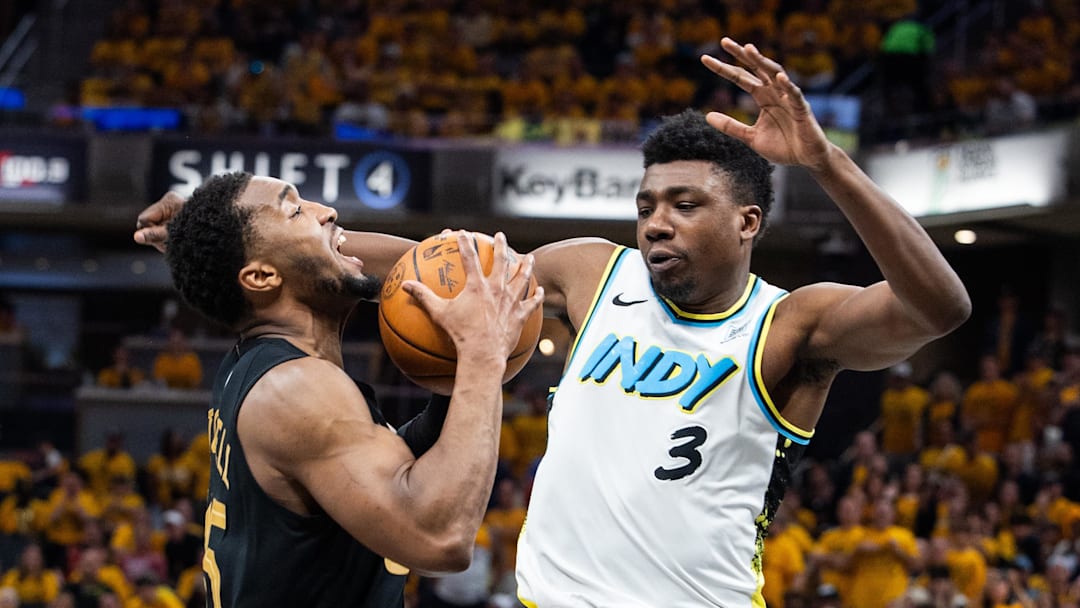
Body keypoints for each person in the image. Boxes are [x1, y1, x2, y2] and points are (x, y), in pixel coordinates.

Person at [134, 38, 969, 607]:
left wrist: (827, 162)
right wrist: (225, 233)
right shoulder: (590, 271)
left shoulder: (793, 326)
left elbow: (940, 308)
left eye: (685, 205)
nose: (656, 223)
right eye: (646, 204)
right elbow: (439, 275)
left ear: (747, 223)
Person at [138, 171, 542, 607]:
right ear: (260, 278)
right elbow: (439, 537)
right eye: (295, 210)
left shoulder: (260, 367)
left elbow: (380, 468)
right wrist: (482, 356)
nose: (328, 212)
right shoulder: (296, 390)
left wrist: (452, 385)